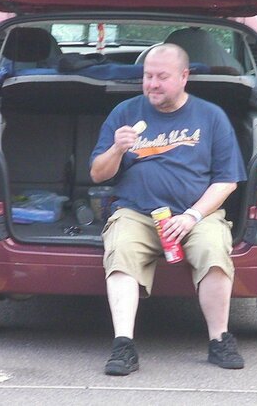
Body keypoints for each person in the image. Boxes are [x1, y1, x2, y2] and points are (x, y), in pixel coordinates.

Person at [90, 43, 247, 375]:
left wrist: (192, 216)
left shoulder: (211, 116)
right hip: (135, 211)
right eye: (148, 76)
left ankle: (219, 340)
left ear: (184, 77)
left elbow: (227, 181)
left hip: (195, 213)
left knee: (214, 250)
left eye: (162, 77)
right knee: (120, 251)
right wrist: (117, 150)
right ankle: (123, 346)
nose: (152, 84)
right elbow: (97, 173)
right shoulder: (125, 113)